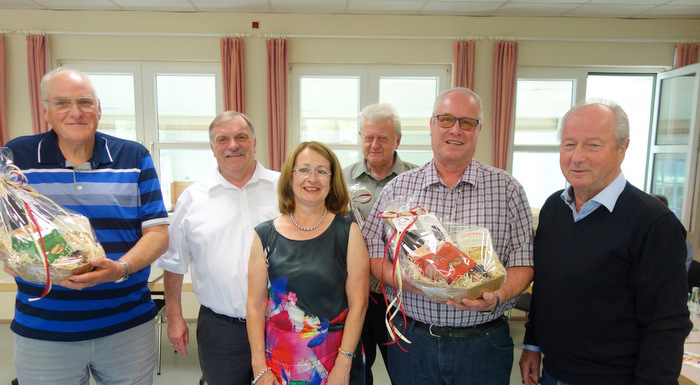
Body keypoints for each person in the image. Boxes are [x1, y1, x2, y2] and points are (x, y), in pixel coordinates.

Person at [3, 67, 170, 384]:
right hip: (44, 330)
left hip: (127, 328)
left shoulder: (133, 156)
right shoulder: (17, 157)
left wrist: (120, 268)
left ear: (99, 108)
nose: (75, 112)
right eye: (62, 103)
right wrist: (10, 256)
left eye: (84, 102)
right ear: (46, 110)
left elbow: (158, 233)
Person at [361, 87, 535, 385]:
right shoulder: (397, 190)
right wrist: (410, 281)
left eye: (467, 122)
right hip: (412, 342)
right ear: (431, 125)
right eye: (445, 119)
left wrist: (497, 297)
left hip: (484, 343)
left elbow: (524, 264)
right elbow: (372, 257)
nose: (456, 129)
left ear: (478, 129)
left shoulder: (507, 190)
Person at [519, 99, 692, 385]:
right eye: (569, 144)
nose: (577, 157)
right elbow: (547, 289)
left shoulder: (653, 222)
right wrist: (532, 344)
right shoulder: (554, 208)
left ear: (622, 149)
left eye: (593, 145)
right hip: (552, 373)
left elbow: (666, 324)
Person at [155, 111, 280, 385]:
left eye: (241, 137)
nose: (232, 145)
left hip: (281, 324)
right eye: (223, 139)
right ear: (213, 148)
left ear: (255, 142)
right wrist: (175, 317)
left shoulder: (283, 189)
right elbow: (174, 263)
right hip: (222, 329)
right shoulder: (193, 199)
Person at [247, 141, 370, 385]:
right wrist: (259, 365)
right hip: (278, 365)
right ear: (290, 178)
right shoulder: (264, 235)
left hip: (334, 362)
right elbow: (255, 306)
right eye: (303, 169)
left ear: (332, 180)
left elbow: (360, 305)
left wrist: (343, 366)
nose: (312, 178)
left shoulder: (348, 233)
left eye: (322, 171)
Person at [342, 102, 417, 385]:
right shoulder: (340, 179)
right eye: (368, 137)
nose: (374, 144)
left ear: (397, 140)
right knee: (356, 370)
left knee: (407, 369)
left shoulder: (417, 179)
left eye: (383, 138)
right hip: (354, 294)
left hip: (402, 295)